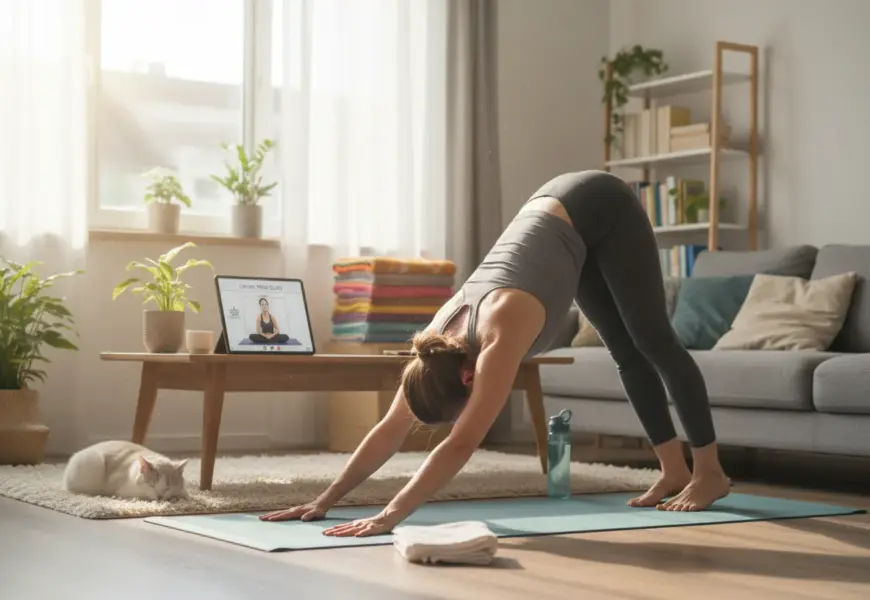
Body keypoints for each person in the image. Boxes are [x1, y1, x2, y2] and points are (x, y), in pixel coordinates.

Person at [260, 170, 731, 536]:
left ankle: (709, 472)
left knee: (652, 341)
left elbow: (459, 444)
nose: (459, 418)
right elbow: (389, 429)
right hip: (560, 220)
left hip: (600, 202)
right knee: (626, 353)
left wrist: (389, 516)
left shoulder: (498, 335)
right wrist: (326, 499)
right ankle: (673, 471)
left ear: (468, 379)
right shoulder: (433, 351)